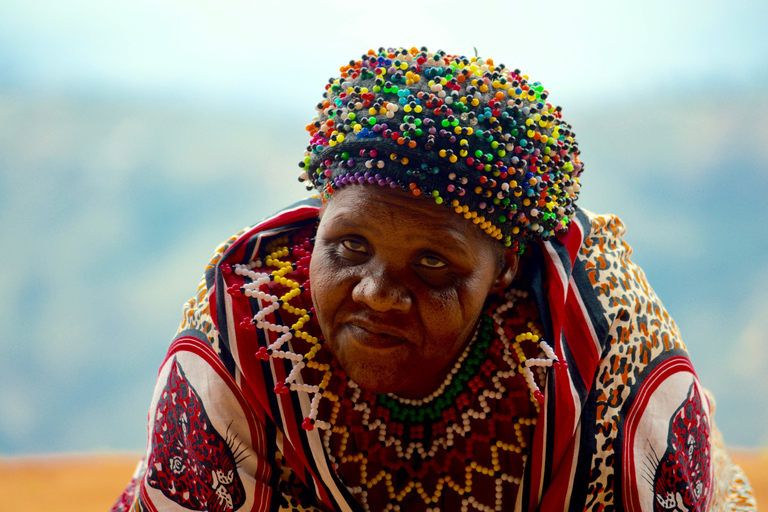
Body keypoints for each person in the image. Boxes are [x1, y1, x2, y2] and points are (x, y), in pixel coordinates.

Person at [111, 47, 756, 512]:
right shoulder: (245, 328)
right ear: (317, 226)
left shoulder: (604, 350)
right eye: (349, 246)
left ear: (505, 268)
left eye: (432, 265)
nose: (376, 292)